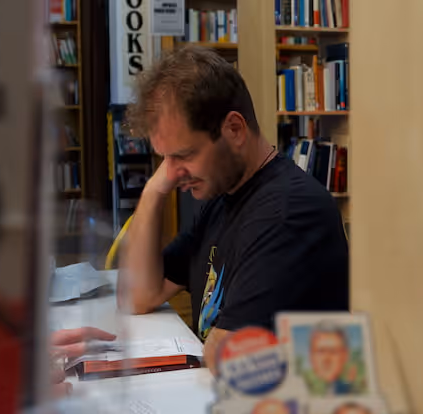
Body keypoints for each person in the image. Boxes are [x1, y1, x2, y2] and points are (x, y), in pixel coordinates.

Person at [117, 45, 349, 374]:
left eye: (183, 155)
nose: (171, 172)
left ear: (235, 129)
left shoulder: (290, 212)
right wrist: (155, 190)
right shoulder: (222, 198)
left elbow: (225, 355)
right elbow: (137, 295)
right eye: (163, 158)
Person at [303, 322, 364, 395]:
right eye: (320, 351)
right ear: (311, 356)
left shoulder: (349, 389)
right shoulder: (303, 387)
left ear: (345, 356)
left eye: (333, 351)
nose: (326, 359)